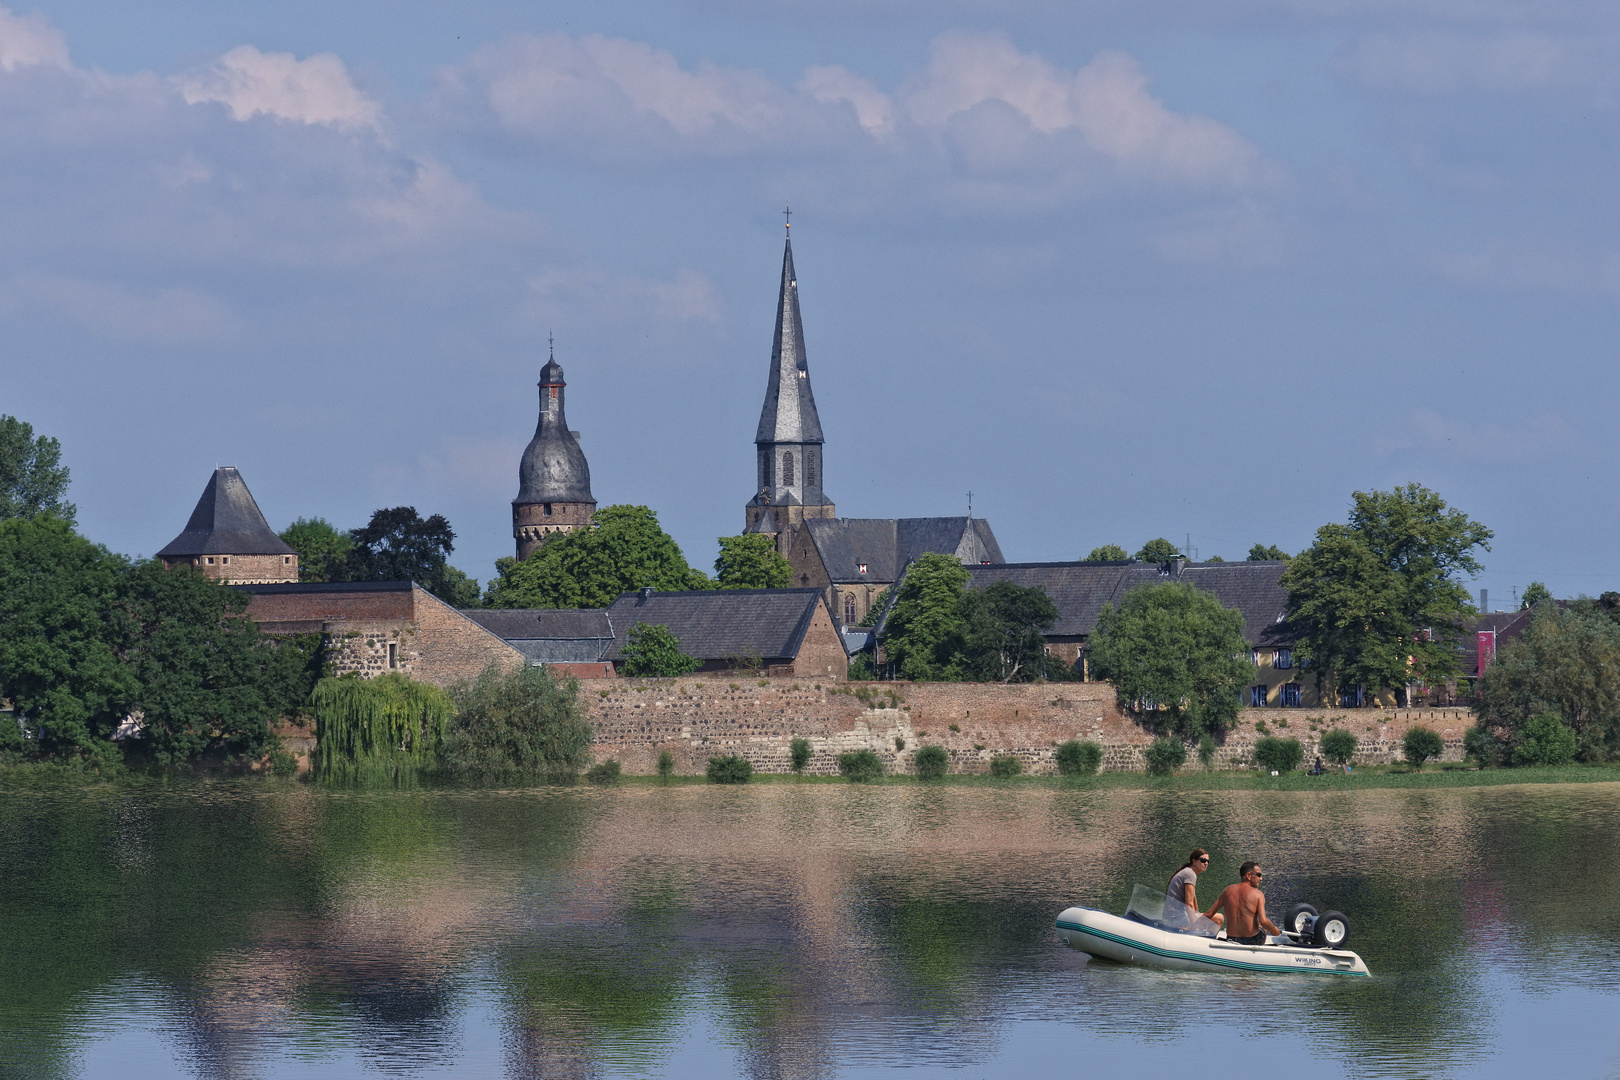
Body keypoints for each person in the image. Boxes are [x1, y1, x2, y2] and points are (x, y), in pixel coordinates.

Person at [1205, 862, 1280, 946]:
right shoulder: (1258, 894)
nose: (1261, 879)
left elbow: (1209, 914)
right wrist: (1274, 929)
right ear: (1249, 876)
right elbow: (1263, 921)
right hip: (1252, 940)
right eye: (1258, 875)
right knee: (1263, 927)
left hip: (1231, 938)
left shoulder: (1227, 890)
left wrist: (1191, 928)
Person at [1166, 849, 1223, 928]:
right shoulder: (1190, 874)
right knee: (1219, 918)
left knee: (1205, 917)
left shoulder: (1188, 873)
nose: (1206, 863)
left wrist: (1198, 917)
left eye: (1207, 861)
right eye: (1203, 860)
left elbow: (1193, 902)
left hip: (1172, 919)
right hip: (1175, 920)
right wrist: (1194, 926)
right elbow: (1189, 903)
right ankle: (1203, 939)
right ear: (1194, 861)